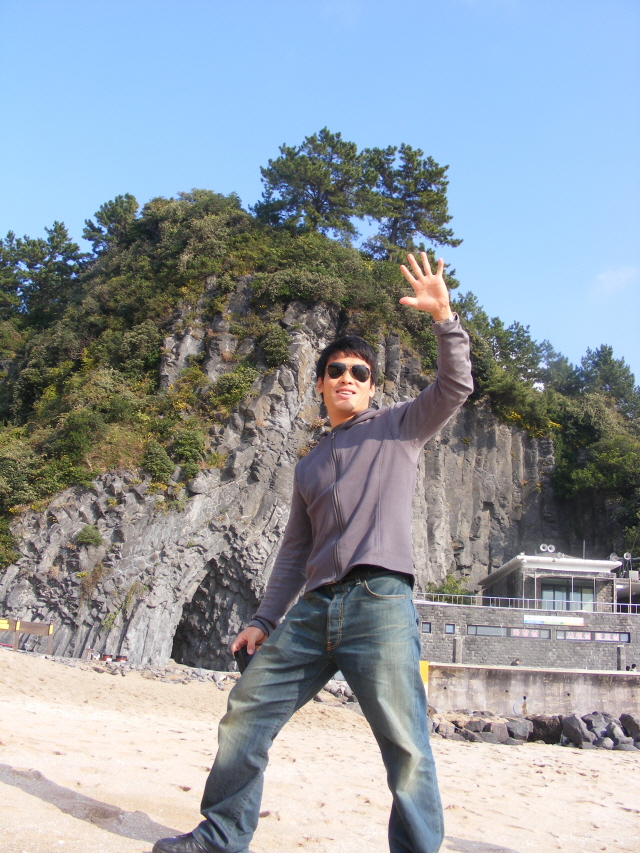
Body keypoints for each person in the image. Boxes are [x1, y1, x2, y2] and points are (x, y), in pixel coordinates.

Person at [153, 252, 474, 853]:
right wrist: (262, 620)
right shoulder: (308, 465)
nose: (347, 377)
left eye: (359, 371)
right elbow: (293, 551)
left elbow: (456, 386)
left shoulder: (400, 428)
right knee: (246, 711)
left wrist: (443, 319)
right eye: (335, 370)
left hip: (380, 600)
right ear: (320, 382)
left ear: (372, 385)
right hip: (313, 609)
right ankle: (221, 837)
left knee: (405, 744)